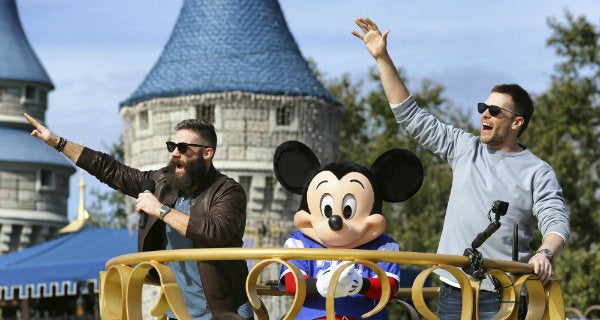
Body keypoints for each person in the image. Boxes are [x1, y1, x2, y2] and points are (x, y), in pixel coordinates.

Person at [351, 18, 570, 319]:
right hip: (455, 290)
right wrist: (382, 58)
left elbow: (555, 221)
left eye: (495, 111)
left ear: (517, 122)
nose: (485, 115)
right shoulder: (465, 148)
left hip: (506, 293)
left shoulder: (538, 171)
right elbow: (410, 117)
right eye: (483, 108)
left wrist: (545, 253)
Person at [24, 114, 253, 320]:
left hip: (225, 312)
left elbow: (215, 232)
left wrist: (160, 210)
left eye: (183, 147)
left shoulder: (227, 191)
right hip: (178, 313)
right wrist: (58, 143)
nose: (175, 153)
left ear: (207, 153)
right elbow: (110, 169)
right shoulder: (162, 182)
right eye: (172, 146)